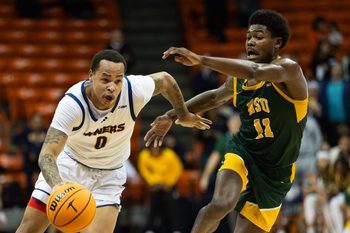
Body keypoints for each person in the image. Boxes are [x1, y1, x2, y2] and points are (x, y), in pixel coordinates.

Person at [145, 9, 308, 233]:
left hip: (276, 171)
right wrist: (171, 115)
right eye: (248, 37)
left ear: (277, 42)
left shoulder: (290, 70)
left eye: (259, 37)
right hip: (244, 150)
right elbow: (214, 97)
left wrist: (201, 59)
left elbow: (255, 72)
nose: (250, 41)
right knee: (221, 204)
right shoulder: (239, 77)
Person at [15, 49, 211, 233]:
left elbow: (166, 80)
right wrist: (59, 187)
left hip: (108, 175)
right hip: (70, 167)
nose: (112, 86)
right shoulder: (72, 104)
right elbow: (47, 154)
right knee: (29, 229)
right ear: (91, 75)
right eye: (105, 79)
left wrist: (183, 114)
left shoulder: (133, 90)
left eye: (118, 80)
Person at [138, 145, 183, 233]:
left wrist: (168, 183)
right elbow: (144, 172)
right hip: (153, 187)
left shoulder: (169, 154)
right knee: (153, 202)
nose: (155, 149)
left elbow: (177, 169)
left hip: (169, 186)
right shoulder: (144, 155)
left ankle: (176, 229)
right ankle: (149, 229)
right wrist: (155, 183)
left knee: (171, 204)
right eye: (153, 147)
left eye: (157, 147)